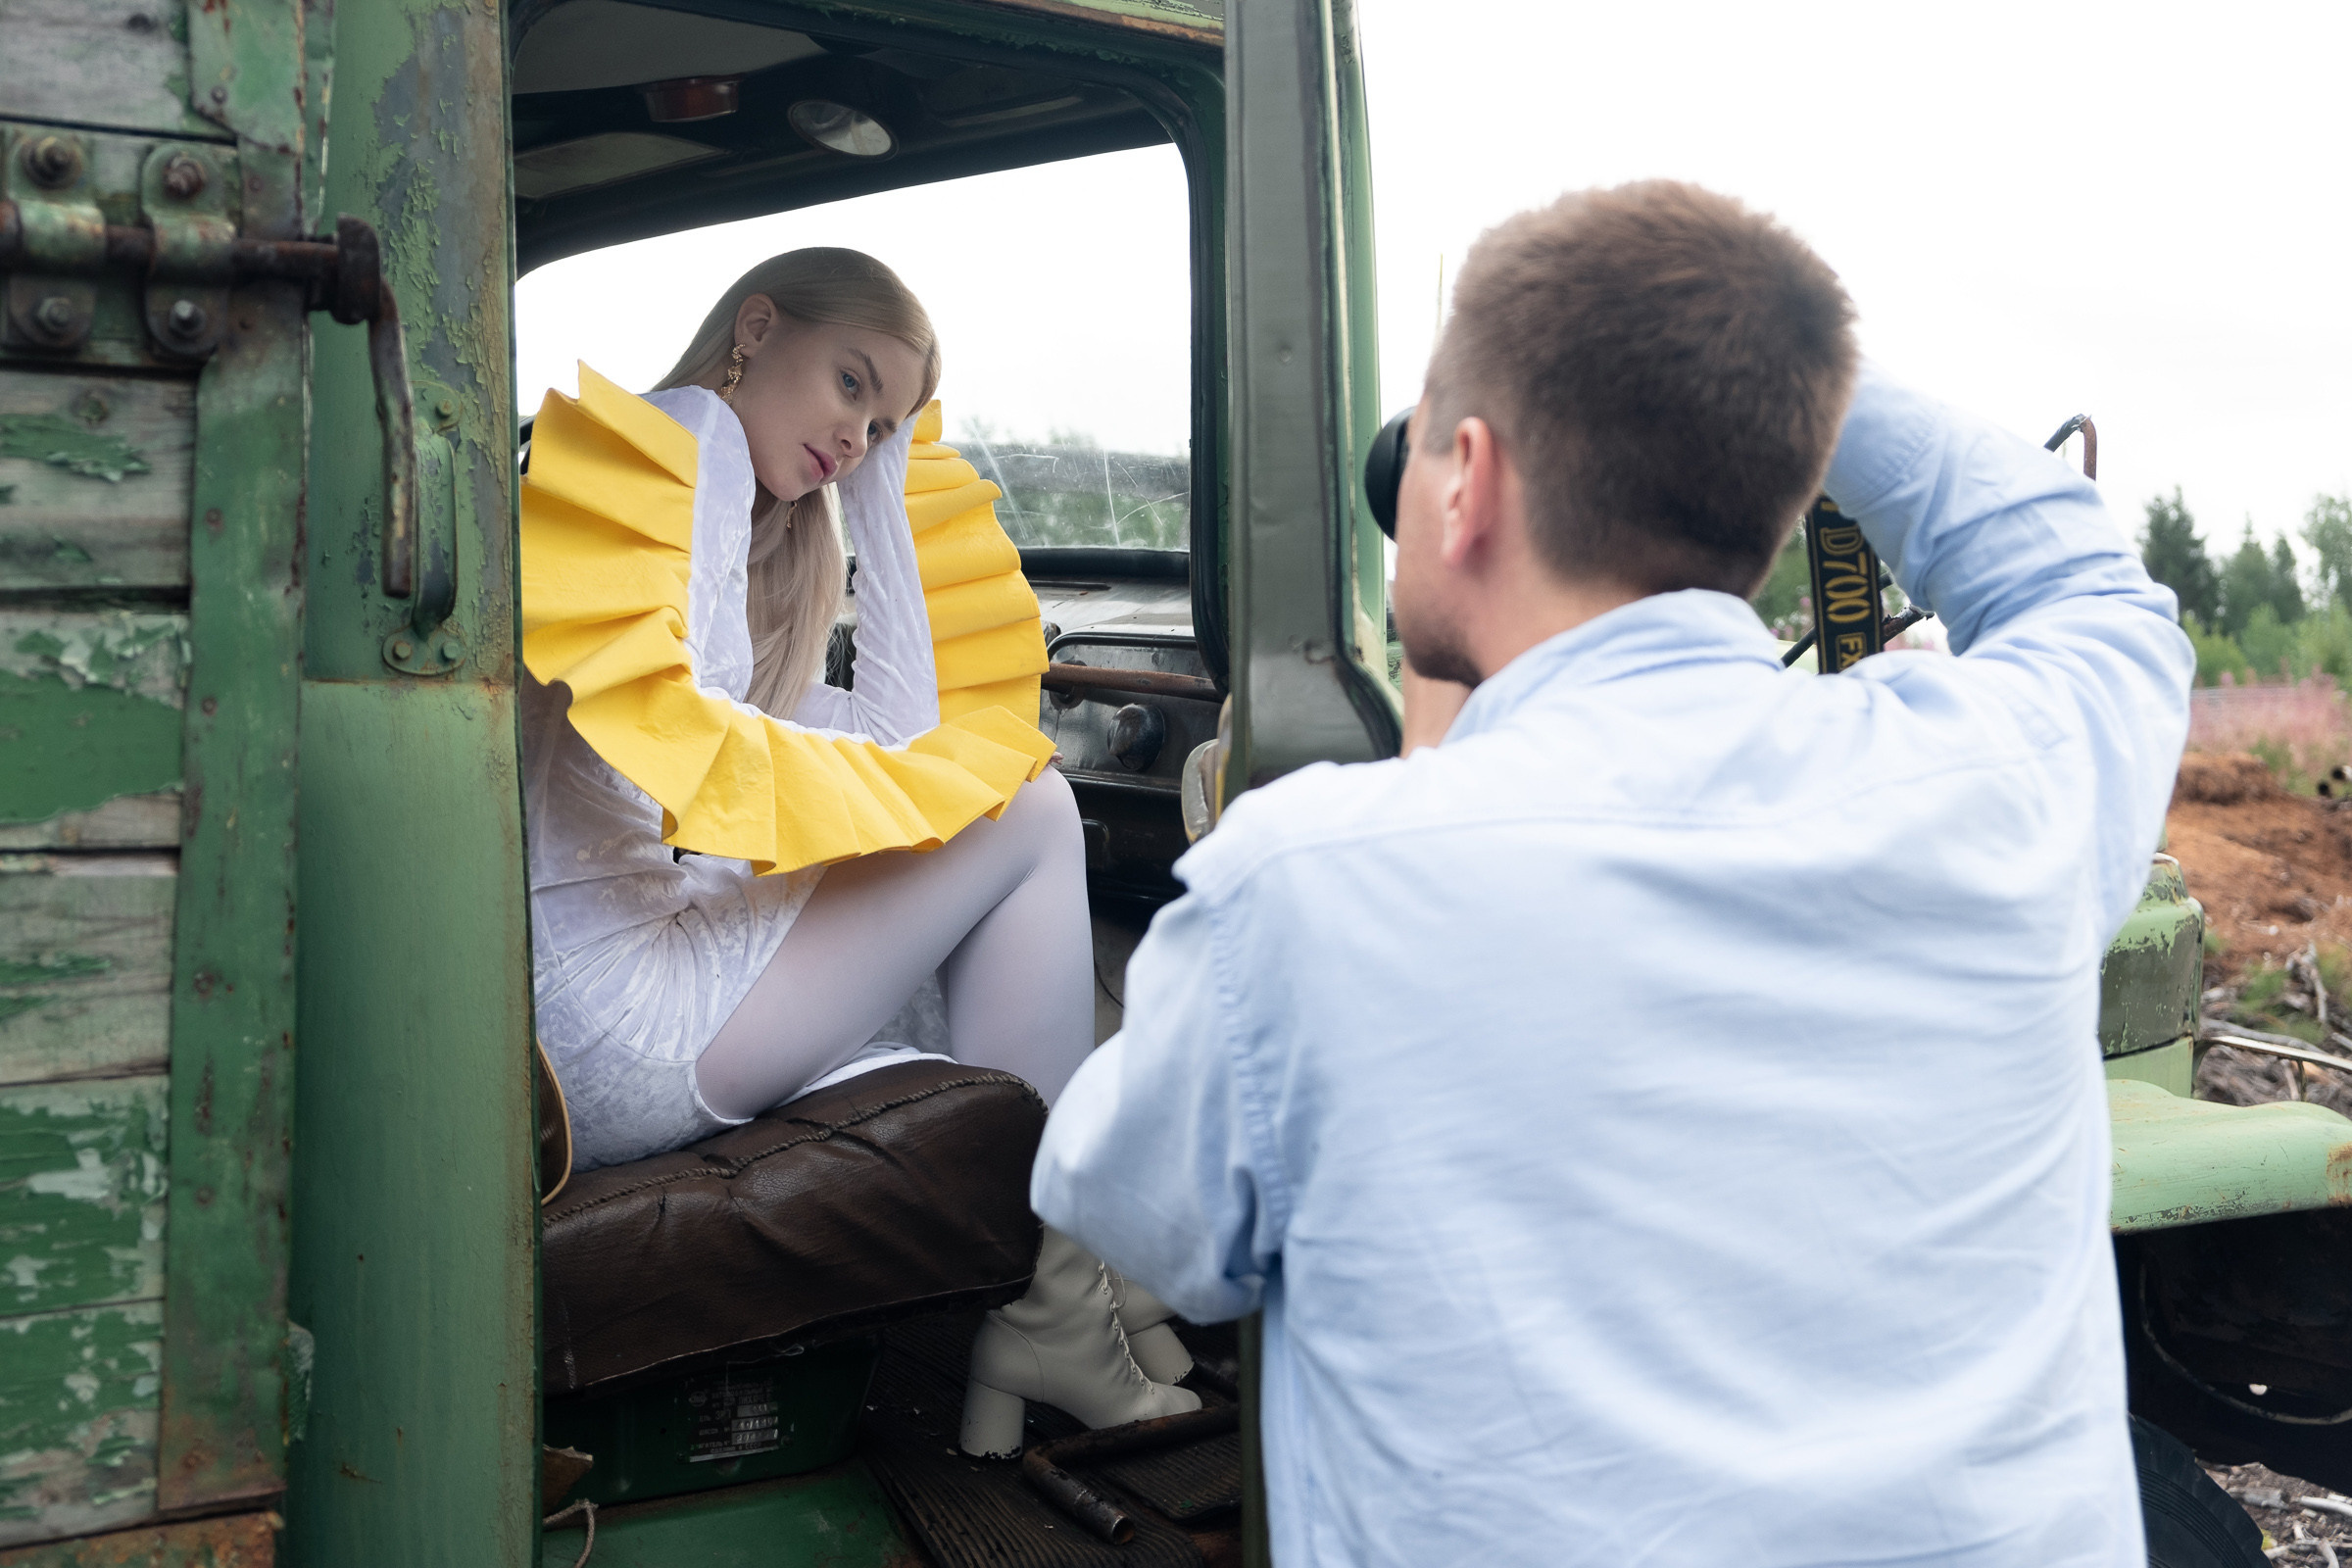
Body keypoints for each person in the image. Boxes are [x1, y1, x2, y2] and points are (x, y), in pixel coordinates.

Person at [1032, 182, 2193, 1565]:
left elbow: (1142, 1221)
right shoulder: (2011, 780)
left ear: (1467, 482)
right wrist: (1774, 384)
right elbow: (2087, 583)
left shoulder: (1310, 889)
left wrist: (1412, 773)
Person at [518, 248, 1198, 1450]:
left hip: (606, 999)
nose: (856, 433)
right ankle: (1053, 1305)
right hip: (611, 1013)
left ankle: (1075, 1280)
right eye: (849, 384)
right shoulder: (689, 439)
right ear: (753, 329)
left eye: (884, 421)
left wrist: (875, 486)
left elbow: (900, 736)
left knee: (969, 873)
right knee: (1029, 812)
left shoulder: (747, 518)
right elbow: (702, 728)